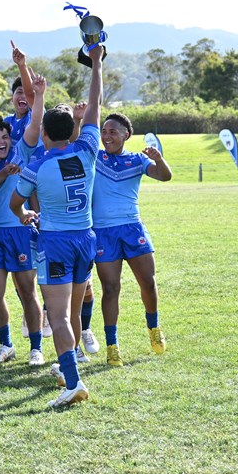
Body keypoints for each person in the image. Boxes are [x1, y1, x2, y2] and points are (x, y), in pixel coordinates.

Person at [10, 44, 104, 407]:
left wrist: (23, 215)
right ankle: (71, 365)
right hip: (86, 238)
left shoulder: (38, 166)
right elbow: (95, 104)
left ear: (45, 134)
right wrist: (95, 64)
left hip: (56, 243)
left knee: (59, 315)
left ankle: (73, 382)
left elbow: (15, 201)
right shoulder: (88, 150)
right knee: (76, 307)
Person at [0, 70, 46, 367]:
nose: (1, 141)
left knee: (27, 291)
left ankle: (36, 348)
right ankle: (6, 345)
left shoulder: (21, 155)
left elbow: (33, 125)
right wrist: (0, 172)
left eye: (5, 136)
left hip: (21, 231)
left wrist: (38, 96)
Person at [93, 113, 171, 366]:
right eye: (104, 131)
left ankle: (154, 329)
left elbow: (164, 176)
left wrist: (159, 159)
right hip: (103, 232)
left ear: (127, 135)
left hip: (132, 229)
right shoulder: (94, 157)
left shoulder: (138, 160)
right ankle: (112, 345)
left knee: (148, 283)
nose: (107, 136)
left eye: (113, 132)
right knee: (111, 288)